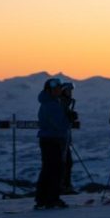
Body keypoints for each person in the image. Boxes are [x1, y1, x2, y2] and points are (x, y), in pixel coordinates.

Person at [35, 77, 70, 209]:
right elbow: (59, 125)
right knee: (55, 170)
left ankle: (42, 198)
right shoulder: (52, 105)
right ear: (49, 90)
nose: (58, 91)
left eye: (59, 89)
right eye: (55, 89)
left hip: (47, 139)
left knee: (47, 169)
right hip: (53, 139)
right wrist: (68, 119)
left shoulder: (50, 102)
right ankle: (52, 198)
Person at [59, 82, 80, 194]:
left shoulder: (66, 103)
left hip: (64, 138)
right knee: (64, 163)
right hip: (60, 138)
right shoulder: (61, 103)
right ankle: (63, 187)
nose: (71, 93)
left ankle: (66, 186)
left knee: (67, 162)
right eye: (68, 90)